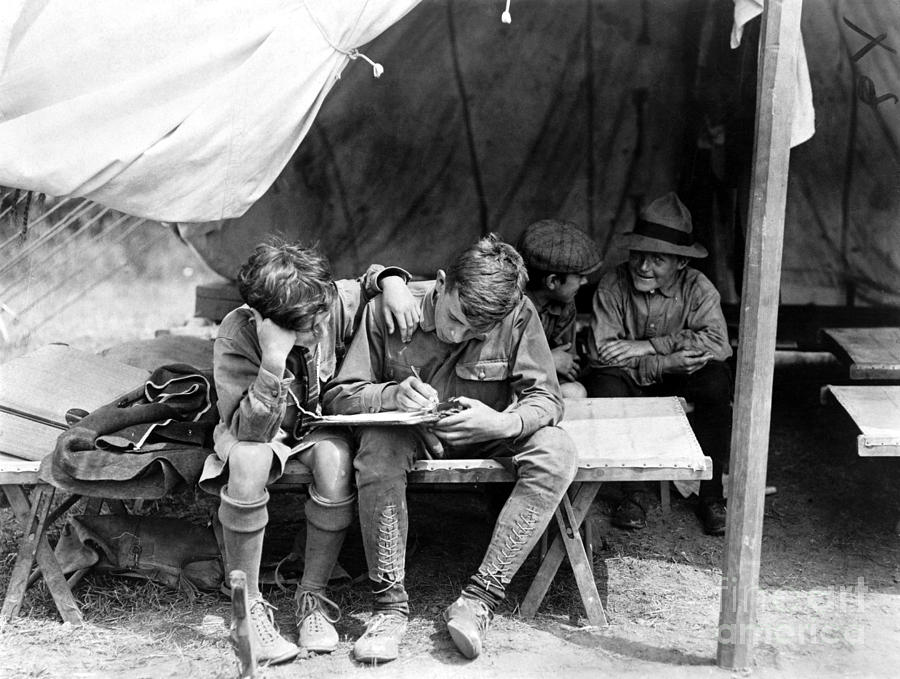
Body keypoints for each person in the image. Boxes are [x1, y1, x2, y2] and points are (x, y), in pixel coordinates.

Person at [322, 234, 578, 663]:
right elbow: (339, 395)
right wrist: (390, 396)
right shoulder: (388, 309)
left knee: (557, 451)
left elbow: (547, 398)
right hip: (408, 436)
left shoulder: (518, 315)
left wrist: (503, 422)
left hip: (488, 431)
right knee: (378, 448)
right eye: (454, 317)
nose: (458, 333)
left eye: (476, 331)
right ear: (442, 283)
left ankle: (479, 599)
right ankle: (388, 608)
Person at [198, 238, 419, 664]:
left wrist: (391, 281)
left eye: (321, 319)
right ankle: (248, 609)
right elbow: (249, 430)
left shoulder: (327, 303)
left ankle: (311, 597)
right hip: (255, 431)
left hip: (314, 429)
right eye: (306, 328)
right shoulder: (237, 333)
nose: (320, 332)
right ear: (267, 322)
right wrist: (273, 362)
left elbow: (363, 284)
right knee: (247, 461)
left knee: (336, 462)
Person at [583, 192, 733, 536]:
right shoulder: (613, 284)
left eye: (657, 259)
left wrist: (647, 346)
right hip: (633, 380)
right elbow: (601, 353)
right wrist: (665, 363)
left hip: (682, 377)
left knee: (715, 381)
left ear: (681, 263)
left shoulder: (699, 288)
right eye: (638, 255)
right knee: (604, 385)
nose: (643, 266)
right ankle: (633, 493)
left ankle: (711, 496)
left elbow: (718, 345)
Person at [517, 219, 602, 399]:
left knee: (575, 392)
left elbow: (567, 362)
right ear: (553, 281)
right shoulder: (507, 304)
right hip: (502, 386)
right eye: (580, 277)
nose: (585, 282)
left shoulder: (565, 304)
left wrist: (553, 364)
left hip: (538, 382)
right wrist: (547, 360)